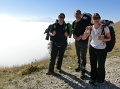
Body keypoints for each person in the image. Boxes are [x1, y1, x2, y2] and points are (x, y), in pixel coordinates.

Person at [82, 13, 111, 87]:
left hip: (102, 49)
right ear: (92, 20)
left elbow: (109, 38)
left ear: (100, 19)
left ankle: (100, 80)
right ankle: (93, 78)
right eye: (95, 18)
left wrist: (103, 39)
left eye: (98, 18)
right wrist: (86, 31)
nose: (97, 19)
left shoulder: (104, 28)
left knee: (101, 65)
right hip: (92, 48)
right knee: (93, 64)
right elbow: (83, 38)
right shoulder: (90, 28)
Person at [72, 10, 90, 78]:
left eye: (78, 14)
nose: (77, 15)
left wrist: (81, 37)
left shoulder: (85, 22)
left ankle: (83, 70)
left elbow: (88, 31)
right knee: (78, 55)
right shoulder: (74, 22)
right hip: (77, 42)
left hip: (84, 42)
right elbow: (73, 30)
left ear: (81, 14)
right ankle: (79, 66)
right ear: (74, 15)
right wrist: (74, 35)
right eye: (76, 14)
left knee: (83, 56)